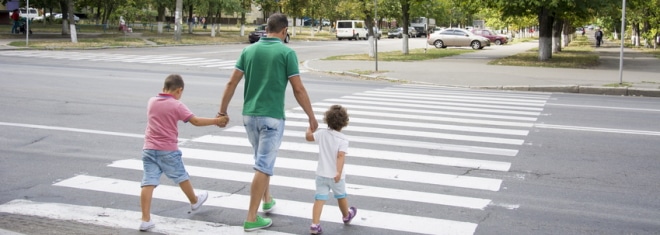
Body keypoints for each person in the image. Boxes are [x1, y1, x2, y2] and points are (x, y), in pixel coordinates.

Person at [216, 12, 318, 232]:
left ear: (266, 29)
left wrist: (221, 112)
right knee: (263, 165)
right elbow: (298, 89)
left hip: (249, 116)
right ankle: (251, 217)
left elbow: (231, 83)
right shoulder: (286, 52)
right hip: (271, 117)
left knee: (261, 160)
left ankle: (267, 199)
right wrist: (311, 116)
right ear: (284, 31)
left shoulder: (248, 50)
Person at [139, 74, 228, 231]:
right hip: (167, 149)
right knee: (181, 176)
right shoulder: (176, 105)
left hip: (148, 148)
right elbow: (195, 121)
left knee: (148, 182)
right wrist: (216, 121)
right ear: (179, 90)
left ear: (163, 88)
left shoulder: (151, 101)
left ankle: (145, 219)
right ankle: (194, 201)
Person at [305, 105, 357, 234]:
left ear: (327, 120)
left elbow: (309, 137)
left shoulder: (322, 133)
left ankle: (315, 224)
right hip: (336, 176)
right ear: (344, 123)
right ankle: (346, 215)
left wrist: (309, 128)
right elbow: (340, 156)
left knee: (319, 199)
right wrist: (338, 172)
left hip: (321, 174)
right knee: (341, 196)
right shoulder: (343, 139)